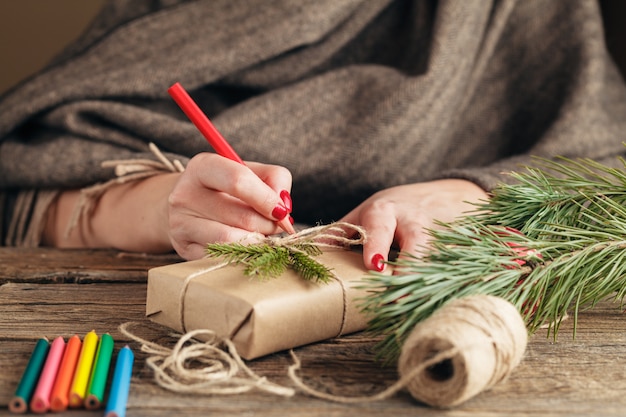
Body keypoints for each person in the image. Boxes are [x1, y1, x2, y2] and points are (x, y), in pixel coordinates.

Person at [1, 0, 626, 272]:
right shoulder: (164, 17)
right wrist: (161, 208)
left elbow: (607, 162)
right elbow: (23, 193)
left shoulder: (528, 16)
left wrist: (473, 193)